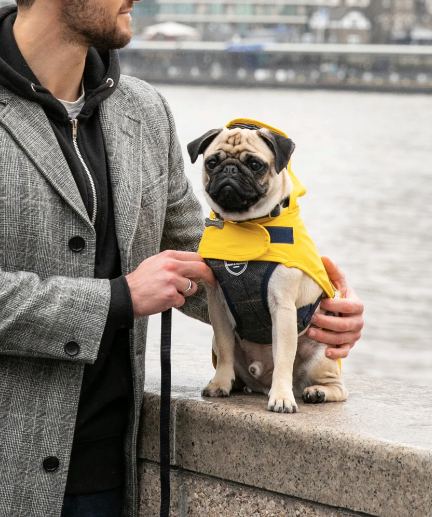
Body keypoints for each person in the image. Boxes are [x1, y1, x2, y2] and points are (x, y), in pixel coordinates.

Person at [0, 0, 364, 516]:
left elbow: (204, 256)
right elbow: (140, 289)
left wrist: (304, 303)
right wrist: (116, 299)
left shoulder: (144, 110)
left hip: (109, 469)